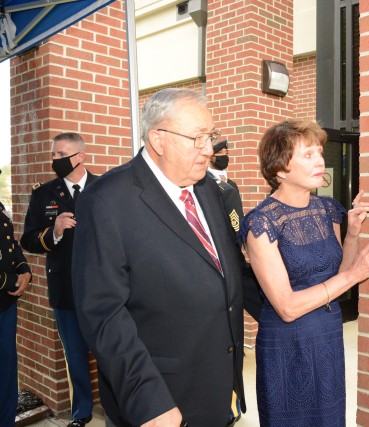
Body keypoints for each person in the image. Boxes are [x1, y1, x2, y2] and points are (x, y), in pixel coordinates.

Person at [71, 88, 262, 427]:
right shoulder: (106, 201)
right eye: (197, 138)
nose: (209, 149)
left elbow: (226, 271)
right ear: (158, 139)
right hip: (162, 398)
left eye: (211, 136)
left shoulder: (209, 189)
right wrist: (148, 399)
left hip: (219, 388)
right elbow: (104, 314)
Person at [238, 119, 369, 426]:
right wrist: (354, 274)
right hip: (288, 342)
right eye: (308, 155)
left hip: (327, 335)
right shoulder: (261, 224)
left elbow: (339, 277)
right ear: (280, 169)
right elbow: (287, 307)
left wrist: (353, 234)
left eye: (320, 152)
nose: (320, 161)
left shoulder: (328, 210)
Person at [20, 132, 97, 427]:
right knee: (75, 355)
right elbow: (28, 239)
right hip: (65, 290)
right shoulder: (44, 194)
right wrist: (55, 231)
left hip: (103, 289)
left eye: (60, 154)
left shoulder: (103, 187)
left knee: (109, 352)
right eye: (53, 155)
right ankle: (82, 411)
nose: (54, 160)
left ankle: (118, 405)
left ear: (79, 156)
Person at [0, 192, 32, 427]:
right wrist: (11, 281)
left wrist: (25, 271)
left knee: (7, 371)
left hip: (6, 307)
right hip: (6, 292)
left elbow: (10, 246)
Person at [208, 139, 244, 235]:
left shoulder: (231, 184)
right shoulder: (204, 183)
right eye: (219, 153)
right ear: (210, 156)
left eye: (226, 153)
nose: (224, 156)